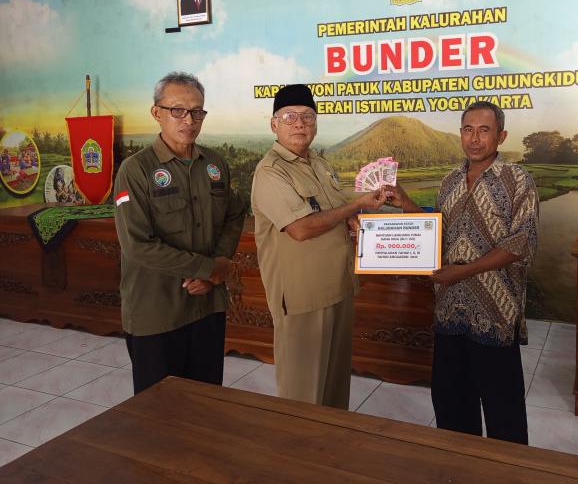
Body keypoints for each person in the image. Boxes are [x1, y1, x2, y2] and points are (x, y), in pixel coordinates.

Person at [388, 101, 539, 444]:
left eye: (484, 130)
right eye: (468, 130)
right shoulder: (450, 180)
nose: (475, 138)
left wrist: (463, 271)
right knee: (452, 405)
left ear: (501, 136)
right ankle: (459, 465)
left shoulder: (518, 180)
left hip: (495, 315)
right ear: (460, 134)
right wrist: (405, 201)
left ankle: (505, 468)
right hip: (450, 312)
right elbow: (436, 231)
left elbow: (522, 241)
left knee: (504, 412)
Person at [250, 84, 388, 409]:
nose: (300, 124)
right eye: (290, 117)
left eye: (308, 117)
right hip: (304, 299)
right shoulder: (270, 172)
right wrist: (356, 206)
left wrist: (352, 217)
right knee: (302, 399)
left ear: (315, 123)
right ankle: (301, 446)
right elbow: (301, 228)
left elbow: (333, 211)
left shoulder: (319, 164)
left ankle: (332, 441)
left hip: (338, 288)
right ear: (274, 124)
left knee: (334, 392)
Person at [113, 71, 246, 394]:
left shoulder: (214, 164)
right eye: (178, 110)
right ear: (156, 112)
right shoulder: (136, 170)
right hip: (157, 311)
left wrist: (217, 265)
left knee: (206, 399)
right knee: (159, 407)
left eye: (197, 111)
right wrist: (207, 268)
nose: (189, 120)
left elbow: (234, 213)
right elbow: (137, 245)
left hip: (207, 306)